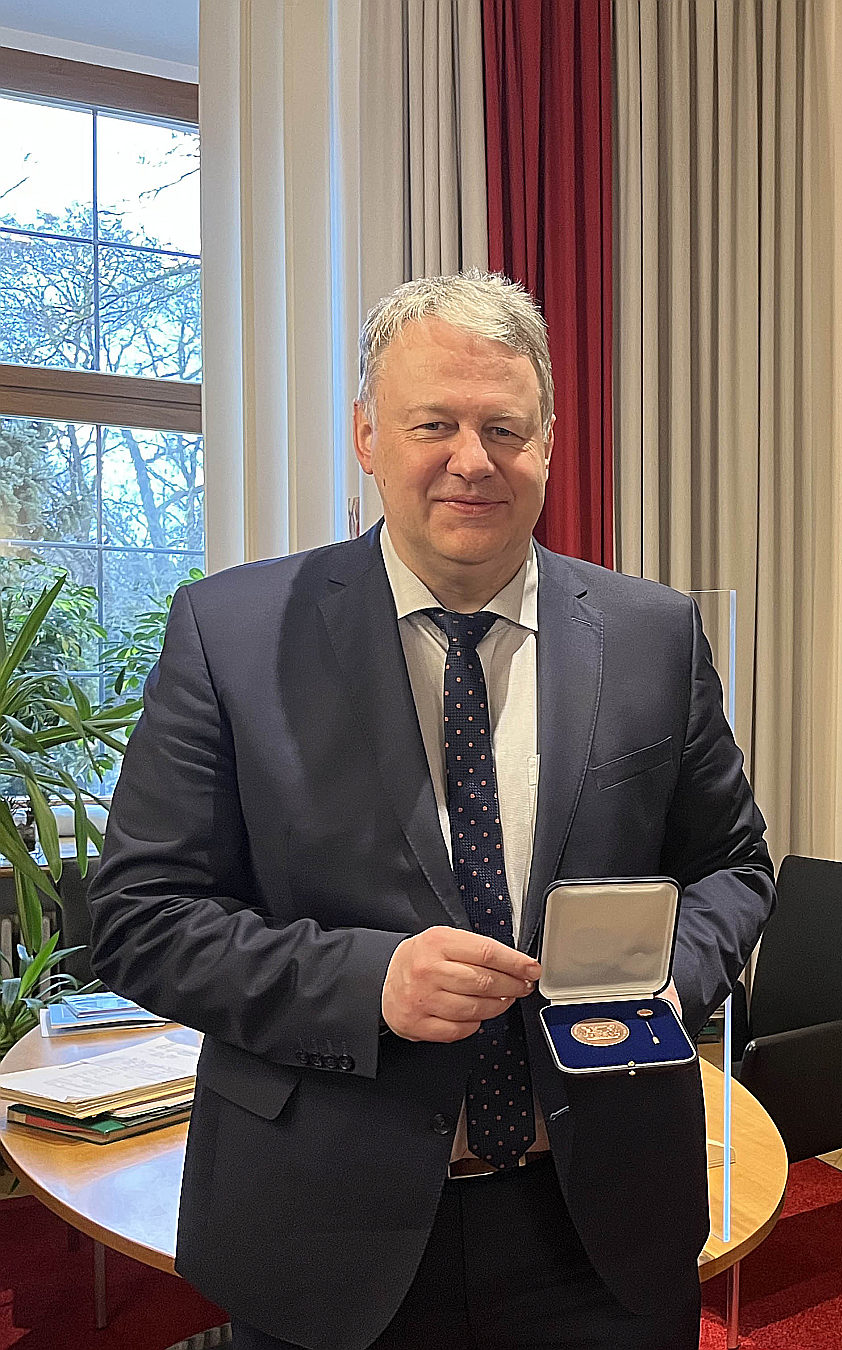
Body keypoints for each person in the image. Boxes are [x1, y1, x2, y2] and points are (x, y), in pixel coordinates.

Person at [87, 270, 775, 1350]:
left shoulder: (655, 636)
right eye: (433, 424)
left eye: (505, 427)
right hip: (327, 1226)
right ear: (367, 435)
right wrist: (370, 983)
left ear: (548, 443)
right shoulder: (229, 634)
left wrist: (658, 977)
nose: (472, 458)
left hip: (599, 1226)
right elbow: (139, 914)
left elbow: (735, 866)